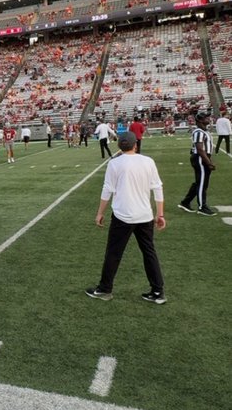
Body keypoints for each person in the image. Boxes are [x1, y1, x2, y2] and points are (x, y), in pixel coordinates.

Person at [86, 131, 166, 304]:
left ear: (119, 146)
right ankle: (158, 291)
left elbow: (107, 189)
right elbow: (157, 188)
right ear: (135, 144)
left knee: (114, 253)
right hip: (144, 215)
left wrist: (100, 213)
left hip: (122, 216)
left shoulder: (115, 163)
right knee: (149, 252)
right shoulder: (148, 161)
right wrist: (160, 214)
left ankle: (105, 289)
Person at [178, 112, 217, 216]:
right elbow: (200, 149)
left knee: (200, 182)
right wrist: (208, 163)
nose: (208, 119)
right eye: (206, 117)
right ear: (200, 120)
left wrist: (209, 160)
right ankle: (202, 207)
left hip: (203, 157)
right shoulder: (199, 132)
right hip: (200, 158)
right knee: (202, 183)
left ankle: (185, 202)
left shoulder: (204, 131)